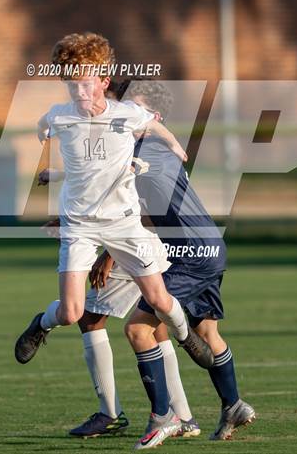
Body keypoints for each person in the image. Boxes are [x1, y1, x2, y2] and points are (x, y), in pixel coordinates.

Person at [14, 33, 213, 450]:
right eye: (71, 83)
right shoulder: (60, 114)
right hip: (81, 227)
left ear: (104, 81)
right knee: (71, 312)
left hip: (125, 226)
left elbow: (153, 127)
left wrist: (176, 147)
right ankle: (41, 324)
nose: (79, 91)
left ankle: (186, 337)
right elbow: (47, 125)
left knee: (160, 301)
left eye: (85, 82)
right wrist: (44, 142)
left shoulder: (126, 114)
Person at [71, 79, 255, 446]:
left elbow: (129, 207)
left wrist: (99, 243)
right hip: (207, 249)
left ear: (152, 116)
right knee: (207, 334)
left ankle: (165, 416)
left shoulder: (144, 153)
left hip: (189, 255)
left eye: (133, 109)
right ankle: (232, 404)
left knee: (138, 331)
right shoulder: (151, 147)